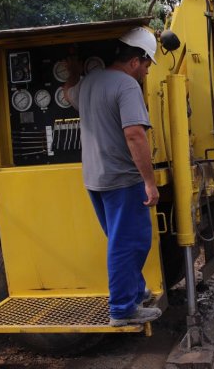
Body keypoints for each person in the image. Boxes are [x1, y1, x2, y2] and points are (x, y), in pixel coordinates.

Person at [64, 27, 162, 326]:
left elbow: (68, 94)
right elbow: (134, 134)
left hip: (95, 178)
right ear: (136, 60)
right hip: (122, 179)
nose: (146, 73)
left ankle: (135, 292)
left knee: (120, 240)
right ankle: (122, 309)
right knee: (130, 243)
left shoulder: (91, 82)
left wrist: (73, 72)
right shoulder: (127, 85)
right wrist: (149, 181)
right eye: (146, 65)